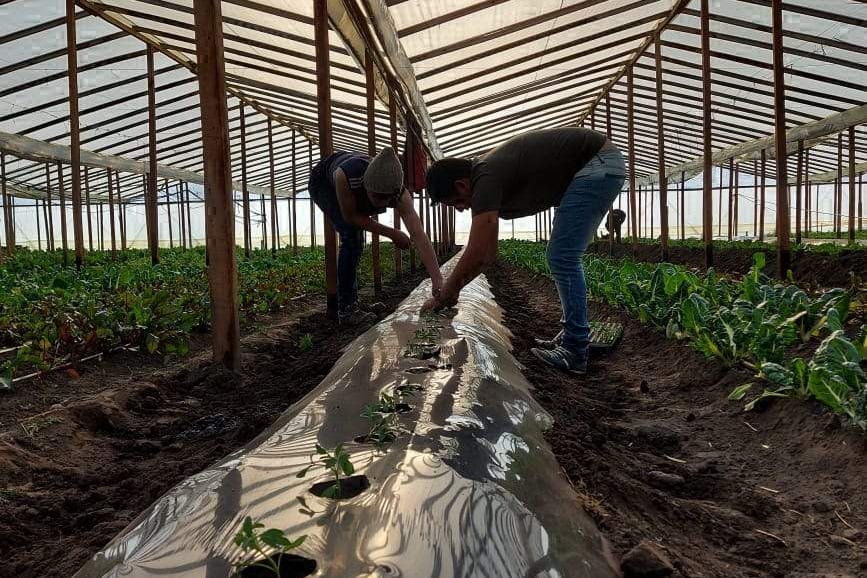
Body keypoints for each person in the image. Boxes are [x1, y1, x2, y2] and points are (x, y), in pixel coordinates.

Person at [422, 127, 625, 373]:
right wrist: (454, 290)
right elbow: (487, 255)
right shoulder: (486, 175)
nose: (461, 210)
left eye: (455, 203)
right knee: (562, 254)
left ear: (462, 186)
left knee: (562, 256)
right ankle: (573, 335)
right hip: (597, 164)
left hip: (596, 165)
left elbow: (477, 249)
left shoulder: (484, 178)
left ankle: (575, 348)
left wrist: (446, 293)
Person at [309, 146, 443, 325]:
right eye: (376, 197)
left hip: (352, 185)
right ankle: (346, 309)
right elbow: (352, 217)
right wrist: (392, 233)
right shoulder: (346, 176)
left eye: (386, 199)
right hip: (323, 181)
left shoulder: (400, 195)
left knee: (355, 239)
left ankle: (351, 303)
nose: (380, 203)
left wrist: (437, 279)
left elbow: (418, 234)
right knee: (351, 237)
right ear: (365, 185)